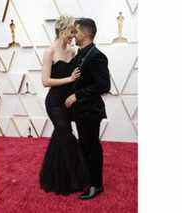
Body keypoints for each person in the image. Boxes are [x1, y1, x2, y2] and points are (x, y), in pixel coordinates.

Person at [39, 15, 90, 195]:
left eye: (74, 32)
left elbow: (78, 78)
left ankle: (55, 176)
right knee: (67, 136)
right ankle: (78, 179)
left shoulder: (72, 51)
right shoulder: (49, 52)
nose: (73, 36)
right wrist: (69, 79)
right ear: (62, 30)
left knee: (61, 137)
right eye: (71, 32)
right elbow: (45, 81)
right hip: (54, 103)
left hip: (68, 102)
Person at [65, 18, 111, 200]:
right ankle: (88, 180)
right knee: (84, 146)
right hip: (81, 111)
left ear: (84, 33)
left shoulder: (97, 56)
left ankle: (96, 185)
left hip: (91, 111)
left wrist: (77, 95)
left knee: (91, 147)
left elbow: (104, 85)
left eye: (75, 32)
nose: (73, 35)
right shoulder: (80, 54)